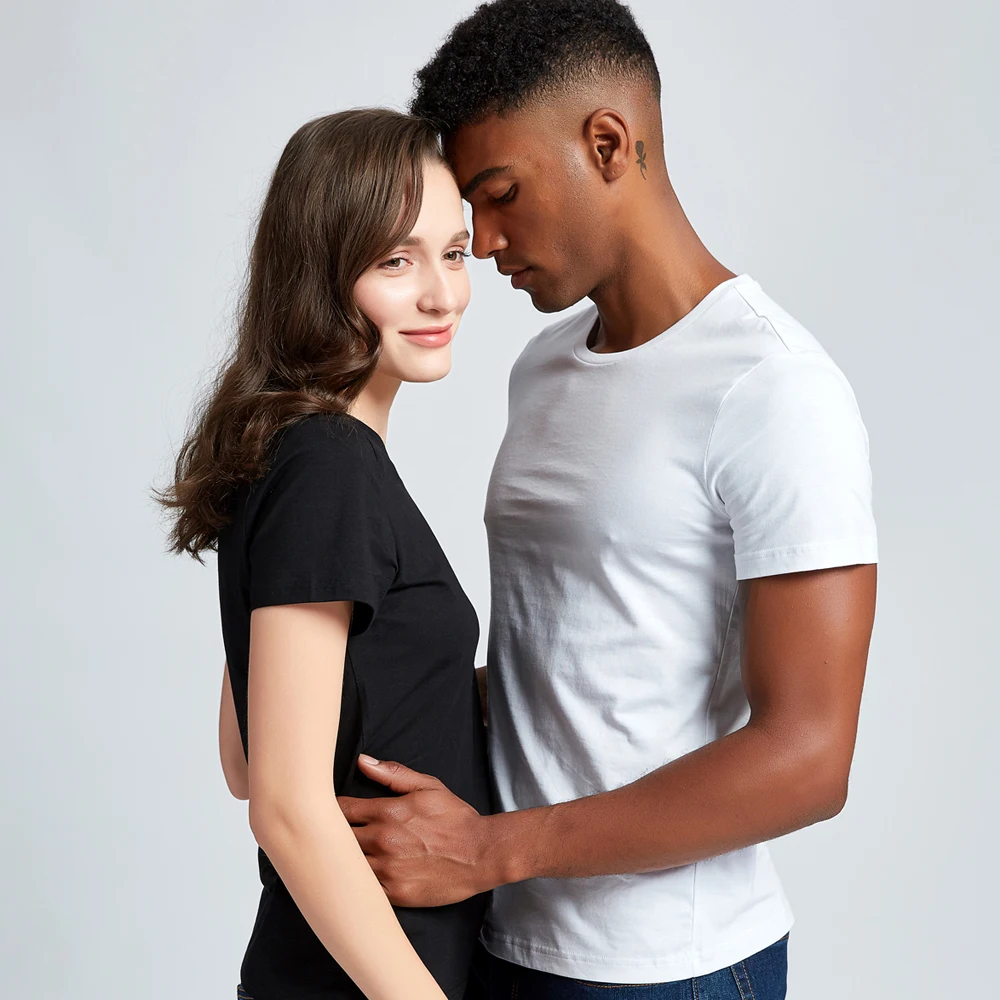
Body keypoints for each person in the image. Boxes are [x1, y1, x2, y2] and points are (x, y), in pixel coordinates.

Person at [335, 3, 878, 999]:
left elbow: (808, 757)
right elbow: (575, 655)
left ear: (608, 144)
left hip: (668, 966)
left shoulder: (773, 388)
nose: (482, 242)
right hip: (502, 935)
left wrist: (491, 849)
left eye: (501, 194)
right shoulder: (542, 368)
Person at [158, 109, 491, 1000]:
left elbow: (245, 759)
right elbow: (281, 804)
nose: (442, 295)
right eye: (396, 262)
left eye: (453, 252)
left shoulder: (295, 453)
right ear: (321, 272)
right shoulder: (329, 466)